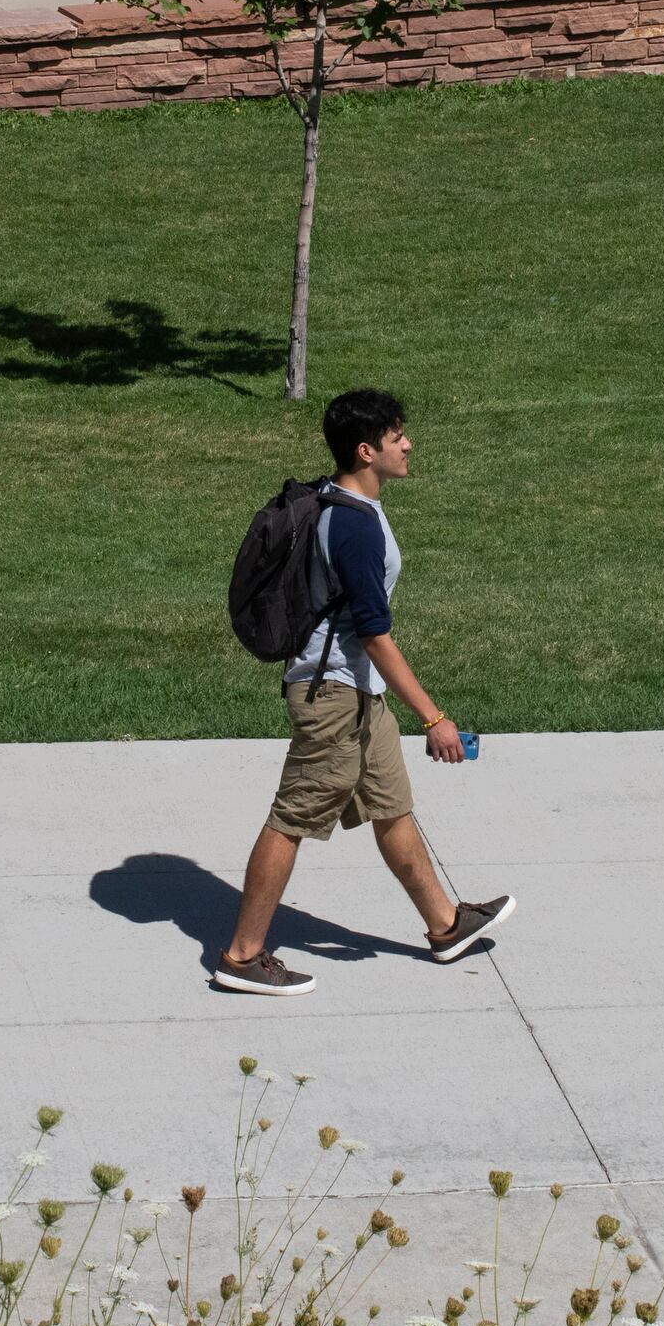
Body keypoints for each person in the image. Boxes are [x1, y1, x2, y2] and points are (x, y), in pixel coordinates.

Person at [210, 388, 512, 997]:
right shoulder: (352, 527)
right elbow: (375, 635)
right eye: (398, 435)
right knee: (291, 819)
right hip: (332, 699)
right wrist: (434, 718)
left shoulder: (349, 504)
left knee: (389, 804)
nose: (409, 444)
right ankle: (242, 956)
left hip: (358, 695)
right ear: (367, 450)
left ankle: (446, 926)